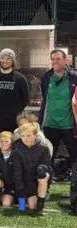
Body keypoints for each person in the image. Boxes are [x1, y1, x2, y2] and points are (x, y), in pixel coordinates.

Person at [40, 50, 77, 178]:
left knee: (75, 158)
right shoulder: (46, 77)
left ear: (65, 60)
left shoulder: (74, 77)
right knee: (47, 158)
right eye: (53, 59)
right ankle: (45, 188)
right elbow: (45, 99)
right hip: (50, 124)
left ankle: (74, 190)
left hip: (69, 126)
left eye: (58, 59)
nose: (55, 62)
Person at [0, 48, 29, 149]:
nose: (5, 61)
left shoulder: (20, 79)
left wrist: (15, 112)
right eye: (2, 58)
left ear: (13, 61)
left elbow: (25, 99)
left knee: (14, 148)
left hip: (13, 121)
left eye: (8, 59)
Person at [12, 123, 52, 215]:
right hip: (26, 180)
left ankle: (41, 206)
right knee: (29, 206)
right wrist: (20, 190)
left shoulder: (43, 147)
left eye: (29, 135)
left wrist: (44, 173)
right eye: (23, 136)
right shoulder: (17, 150)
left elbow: (47, 165)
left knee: (42, 170)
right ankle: (22, 204)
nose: (25, 138)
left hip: (39, 178)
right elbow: (17, 172)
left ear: (35, 136)